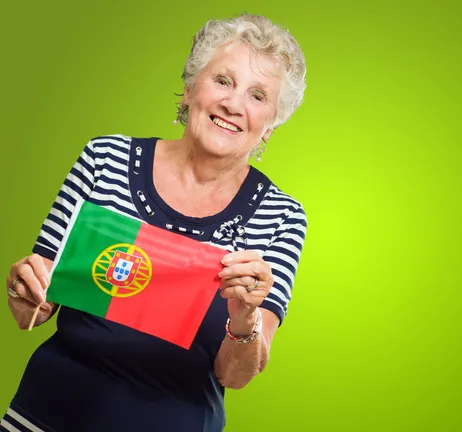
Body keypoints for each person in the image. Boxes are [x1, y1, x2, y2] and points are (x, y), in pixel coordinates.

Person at [2, 13, 307, 432]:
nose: (233, 105)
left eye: (257, 95)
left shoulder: (281, 217)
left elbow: (235, 376)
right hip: (42, 416)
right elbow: (33, 312)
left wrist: (245, 316)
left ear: (270, 125)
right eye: (222, 80)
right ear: (188, 89)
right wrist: (24, 288)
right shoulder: (103, 160)